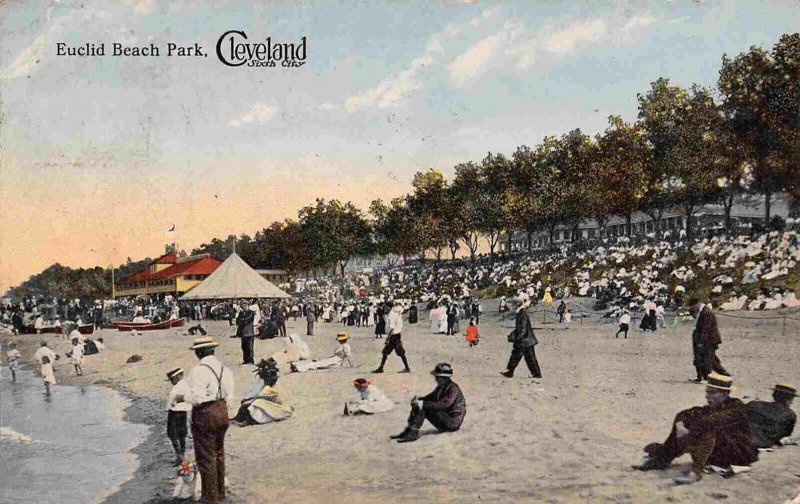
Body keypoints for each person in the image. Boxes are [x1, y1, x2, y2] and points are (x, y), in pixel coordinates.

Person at [633, 373, 758, 484]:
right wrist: (680, 426)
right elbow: (684, 414)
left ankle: (695, 472)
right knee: (688, 423)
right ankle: (663, 458)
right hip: (718, 450)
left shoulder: (736, 407)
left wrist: (687, 437)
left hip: (737, 453)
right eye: (707, 392)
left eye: (712, 393)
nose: (707, 397)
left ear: (725, 393)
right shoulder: (713, 407)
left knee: (708, 429)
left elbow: (711, 421)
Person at [177, 337, 234, 503]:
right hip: (222, 410)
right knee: (218, 452)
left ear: (199, 352)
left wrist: (181, 397)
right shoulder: (225, 369)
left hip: (205, 412)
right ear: (212, 351)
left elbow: (197, 398)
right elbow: (230, 395)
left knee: (205, 455)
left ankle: (210, 496)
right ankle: (220, 492)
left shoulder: (199, 371)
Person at [390, 363, 466, 443]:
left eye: (437, 377)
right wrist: (419, 400)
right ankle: (410, 429)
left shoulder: (453, 388)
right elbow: (431, 396)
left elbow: (444, 404)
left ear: (444, 378)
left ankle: (413, 432)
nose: (436, 379)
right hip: (446, 418)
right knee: (419, 405)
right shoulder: (442, 387)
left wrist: (422, 403)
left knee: (423, 407)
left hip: (452, 422)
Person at [501, 296, 542, 378]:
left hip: (524, 340)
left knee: (516, 355)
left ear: (517, 304)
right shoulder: (522, 312)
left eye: (513, 304)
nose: (512, 306)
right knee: (530, 358)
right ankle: (536, 374)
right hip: (528, 339)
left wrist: (516, 338)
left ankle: (510, 372)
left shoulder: (521, 313)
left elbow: (522, 329)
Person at [747, 384, 797, 448]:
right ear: (787, 400)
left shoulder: (754, 405)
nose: (792, 402)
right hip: (766, 443)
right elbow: (785, 435)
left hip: (747, 439)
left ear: (773, 395)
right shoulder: (791, 415)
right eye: (791, 399)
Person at [690, 298, 728, 382]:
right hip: (701, 338)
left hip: (709, 339)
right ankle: (702, 377)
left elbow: (706, 329)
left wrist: (701, 342)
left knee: (707, 359)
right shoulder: (700, 311)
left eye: (693, 306)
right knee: (706, 359)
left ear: (698, 304)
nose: (692, 309)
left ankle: (708, 378)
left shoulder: (707, 312)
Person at [373, 303, 410, 374]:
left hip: (394, 336)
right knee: (390, 352)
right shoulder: (394, 314)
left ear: (389, 307)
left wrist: (387, 339)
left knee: (390, 352)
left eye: (386, 307)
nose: (385, 309)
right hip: (397, 335)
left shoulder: (391, 316)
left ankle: (407, 368)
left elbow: (392, 328)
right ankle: (381, 368)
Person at [166, 368, 192, 465]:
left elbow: (173, 400)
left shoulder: (177, 387)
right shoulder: (185, 384)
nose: (171, 382)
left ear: (177, 377)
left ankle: (179, 455)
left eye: (172, 380)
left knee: (172, 434)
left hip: (174, 412)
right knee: (182, 434)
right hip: (183, 411)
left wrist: (171, 405)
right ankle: (182, 453)